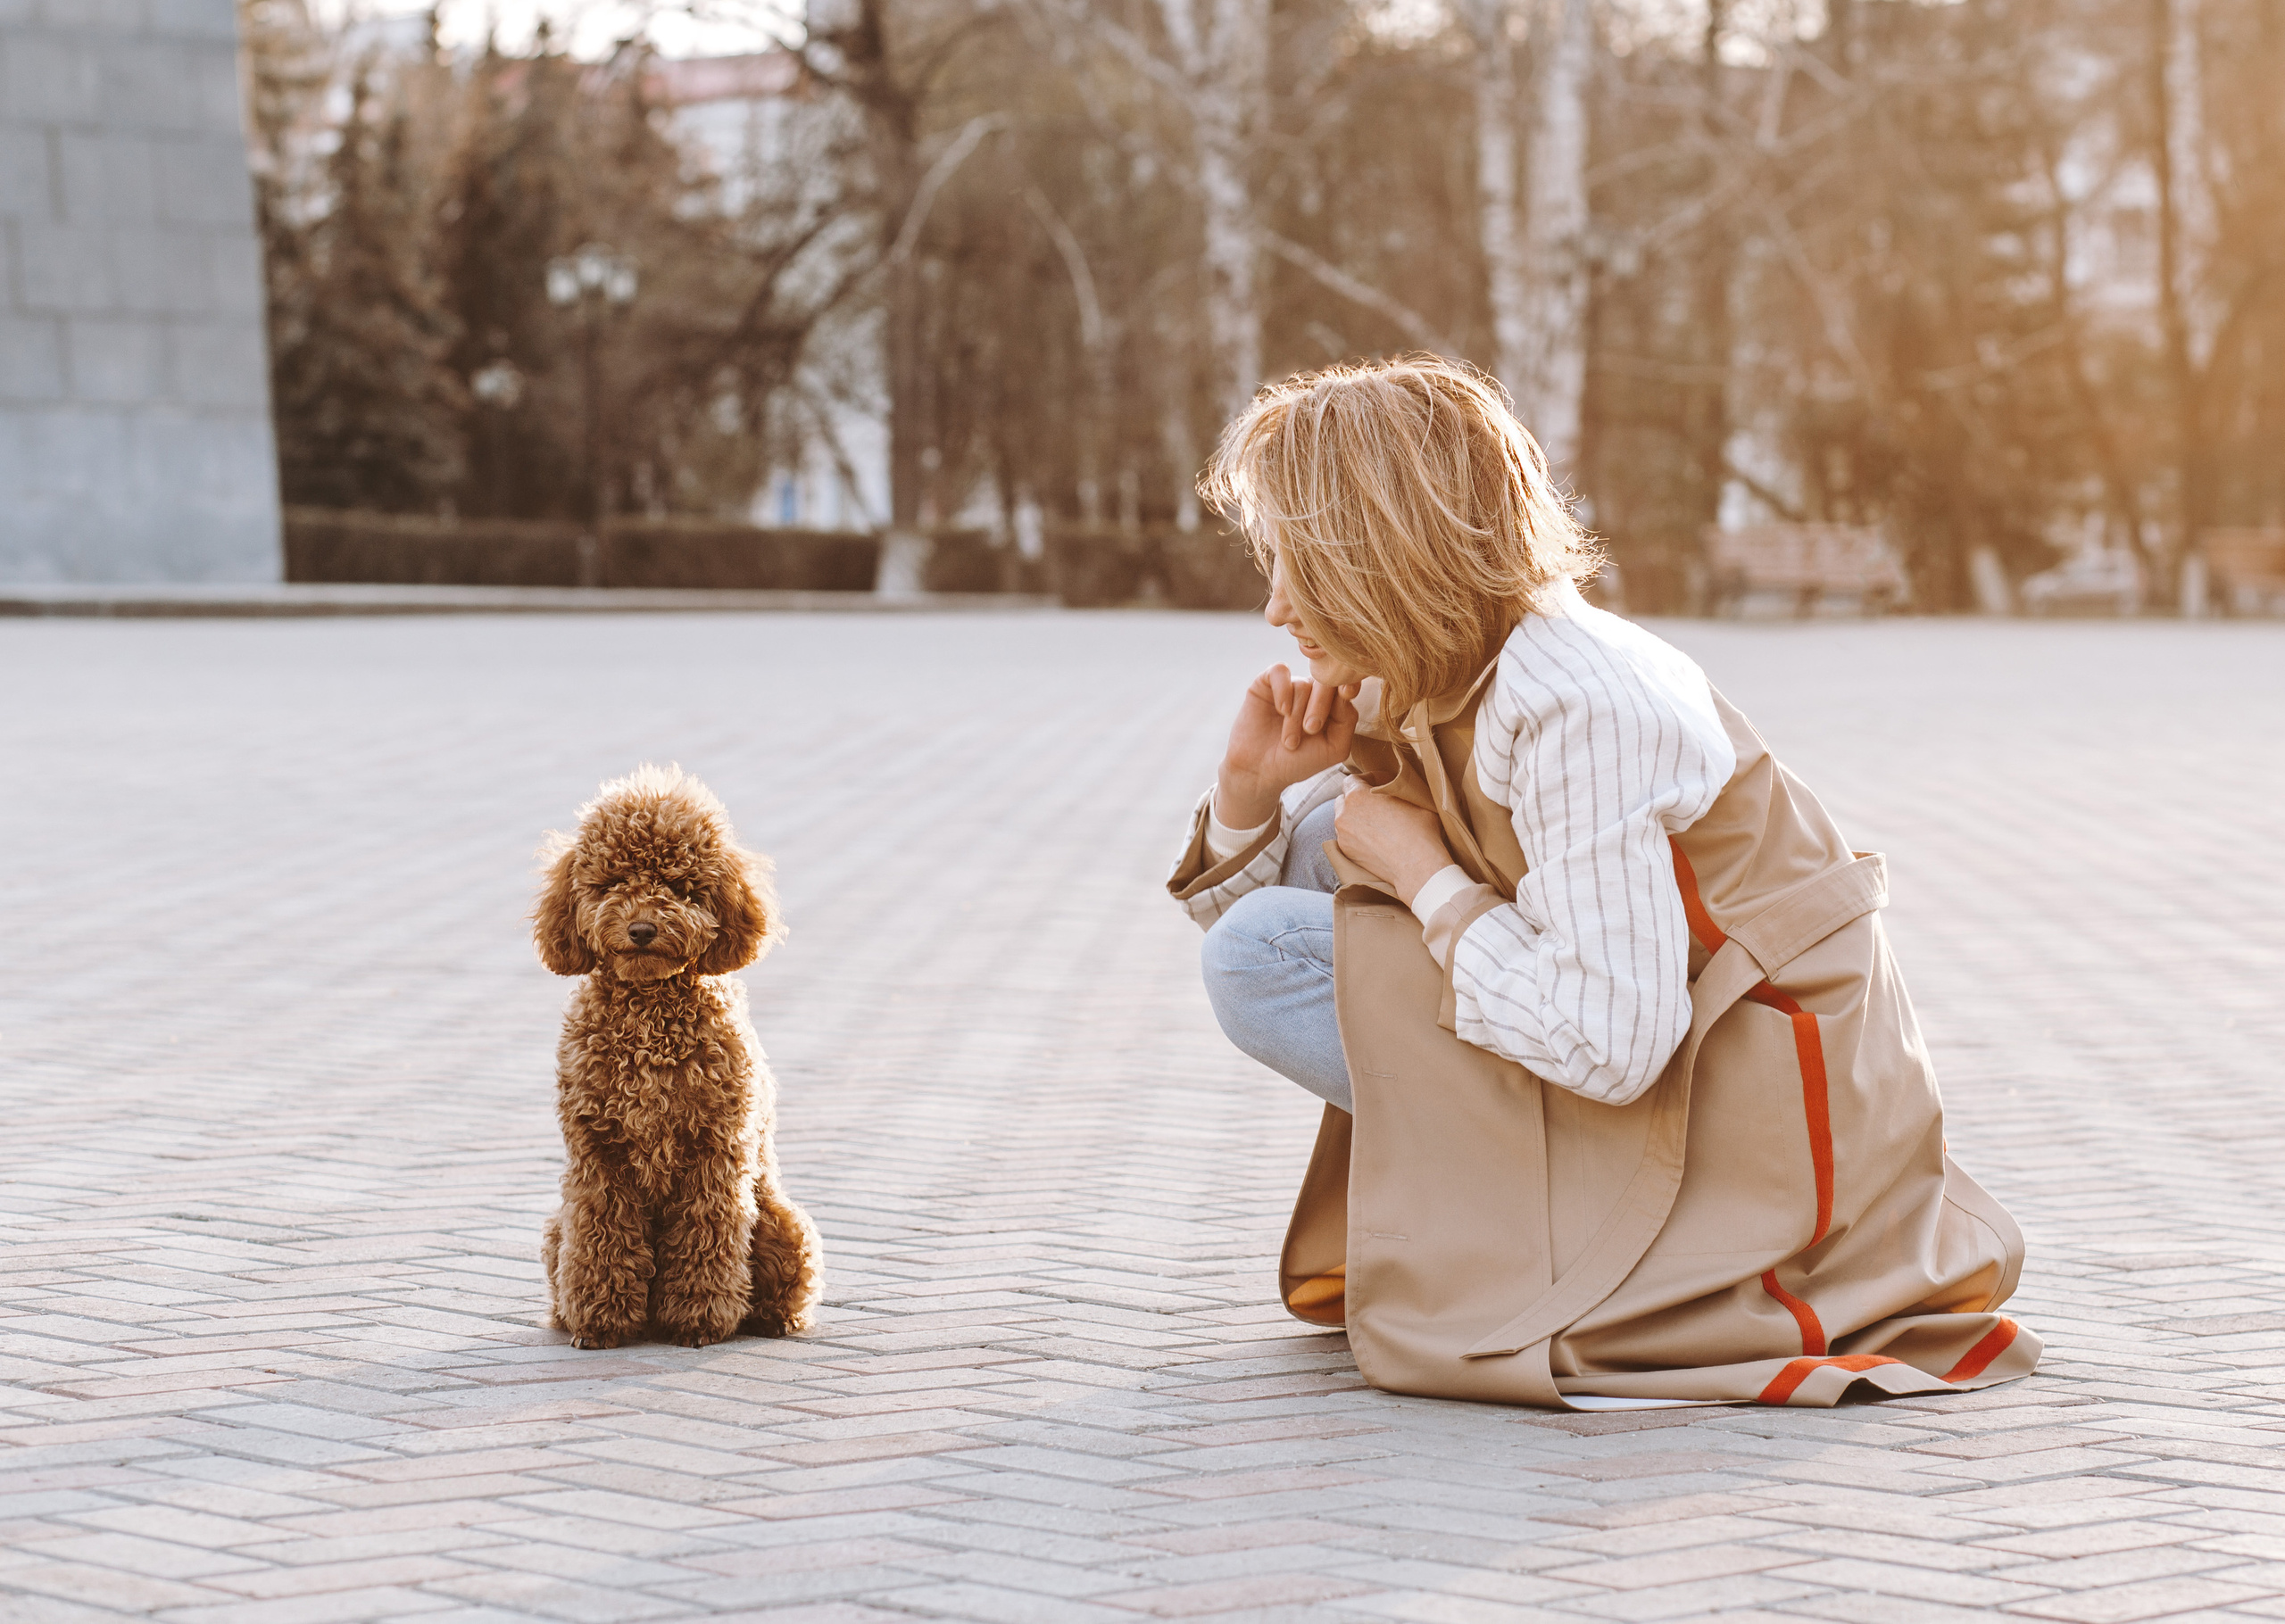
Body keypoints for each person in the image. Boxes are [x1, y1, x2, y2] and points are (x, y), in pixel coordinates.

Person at [1167, 356, 2037, 1410]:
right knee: (1302, 884)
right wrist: (1251, 793)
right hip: (1673, 1051)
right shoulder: (1440, 666)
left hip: (1760, 1127)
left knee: (1264, 943)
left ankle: (1563, 1237)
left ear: (1383, 552)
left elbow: (1610, 1043)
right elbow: (1307, 897)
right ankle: (1524, 1211)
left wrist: (1424, 871)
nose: (1272, 609)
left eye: (1298, 565)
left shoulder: (1582, 703)